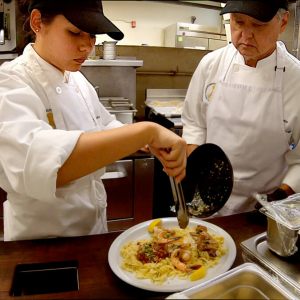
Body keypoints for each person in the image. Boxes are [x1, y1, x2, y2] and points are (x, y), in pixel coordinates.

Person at [0, 0, 187, 241]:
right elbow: (46, 167)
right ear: (38, 23)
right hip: (43, 240)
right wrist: (146, 132)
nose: (87, 47)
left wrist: (143, 142)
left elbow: (105, 124)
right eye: (75, 33)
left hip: (93, 229)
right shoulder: (11, 82)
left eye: (92, 36)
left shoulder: (76, 79)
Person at [181, 0, 300, 216]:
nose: (245, 35)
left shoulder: (296, 81)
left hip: (265, 209)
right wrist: (200, 175)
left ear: (282, 23)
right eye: (238, 22)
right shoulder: (211, 64)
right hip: (207, 204)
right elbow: (194, 124)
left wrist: (280, 196)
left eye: (258, 25)